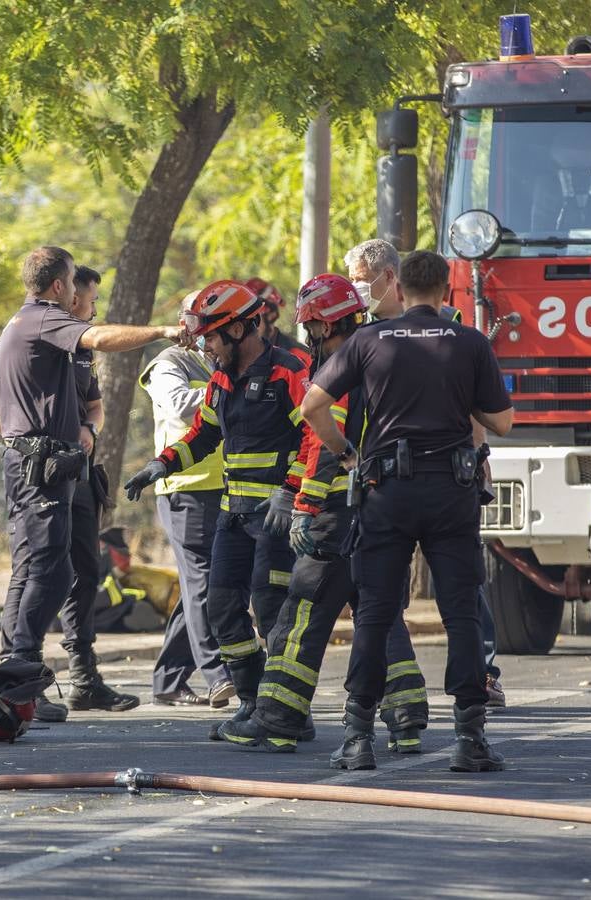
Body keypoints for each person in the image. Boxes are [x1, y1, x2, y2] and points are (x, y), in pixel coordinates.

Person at [302, 250, 514, 773]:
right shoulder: (469, 343)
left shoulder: (368, 340)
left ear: (401, 288)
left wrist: (346, 454)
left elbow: (312, 406)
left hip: (386, 490)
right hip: (451, 491)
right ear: (446, 290)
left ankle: (357, 738)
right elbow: (503, 423)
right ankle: (469, 738)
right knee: (460, 611)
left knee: (374, 612)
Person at [218, 274, 430, 754]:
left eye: (311, 329)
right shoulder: (387, 355)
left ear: (323, 324)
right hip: (387, 510)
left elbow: (326, 445)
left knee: (301, 614)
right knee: (378, 614)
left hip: (339, 513)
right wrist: (292, 487)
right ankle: (407, 717)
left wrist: (304, 505)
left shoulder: (344, 365)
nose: (309, 339)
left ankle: (277, 718)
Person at [0, 246, 180, 687]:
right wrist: (163, 330)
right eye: (75, 282)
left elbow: (91, 400)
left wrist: (26, 433)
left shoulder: (30, 325)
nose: (82, 296)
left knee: (53, 569)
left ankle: (38, 675)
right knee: (45, 571)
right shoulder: (41, 317)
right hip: (38, 469)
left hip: (54, 466)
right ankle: (17, 671)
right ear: (60, 287)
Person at [124, 280, 308, 740]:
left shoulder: (291, 371)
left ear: (242, 328)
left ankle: (289, 713)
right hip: (234, 515)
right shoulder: (221, 379)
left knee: (272, 612)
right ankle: (252, 703)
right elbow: (203, 435)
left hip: (277, 518)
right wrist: (158, 466)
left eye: (211, 336)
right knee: (222, 608)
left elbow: (316, 437)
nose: (205, 345)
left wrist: (290, 493)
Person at [346, 238, 507, 708]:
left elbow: (479, 412)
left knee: (461, 593)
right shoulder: (369, 330)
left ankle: (484, 673)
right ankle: (401, 692)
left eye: (362, 278)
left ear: (391, 278)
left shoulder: (451, 329)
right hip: (386, 477)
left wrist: (479, 462)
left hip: (443, 473)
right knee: (384, 597)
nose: (359, 288)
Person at [140, 291, 235, 708]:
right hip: (185, 486)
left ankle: (168, 680)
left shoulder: (214, 361)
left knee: (200, 584)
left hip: (219, 485)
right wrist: (226, 387)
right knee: (201, 584)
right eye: (203, 320)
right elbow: (179, 406)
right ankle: (217, 674)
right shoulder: (168, 363)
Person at [246, 276, 310, 365]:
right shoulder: (239, 356)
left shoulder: (298, 357)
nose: (246, 329)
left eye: (253, 320)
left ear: (271, 316)